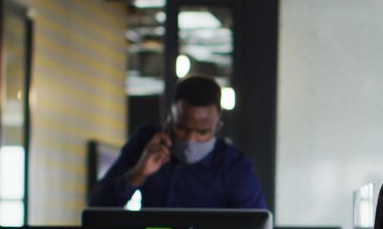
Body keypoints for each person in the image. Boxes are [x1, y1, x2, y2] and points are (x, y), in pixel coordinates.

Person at [89, 75, 267, 209]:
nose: (190, 139)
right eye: (181, 128)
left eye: (202, 132)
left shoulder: (234, 167)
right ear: (169, 120)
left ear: (217, 127)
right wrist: (138, 174)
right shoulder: (147, 143)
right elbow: (97, 206)